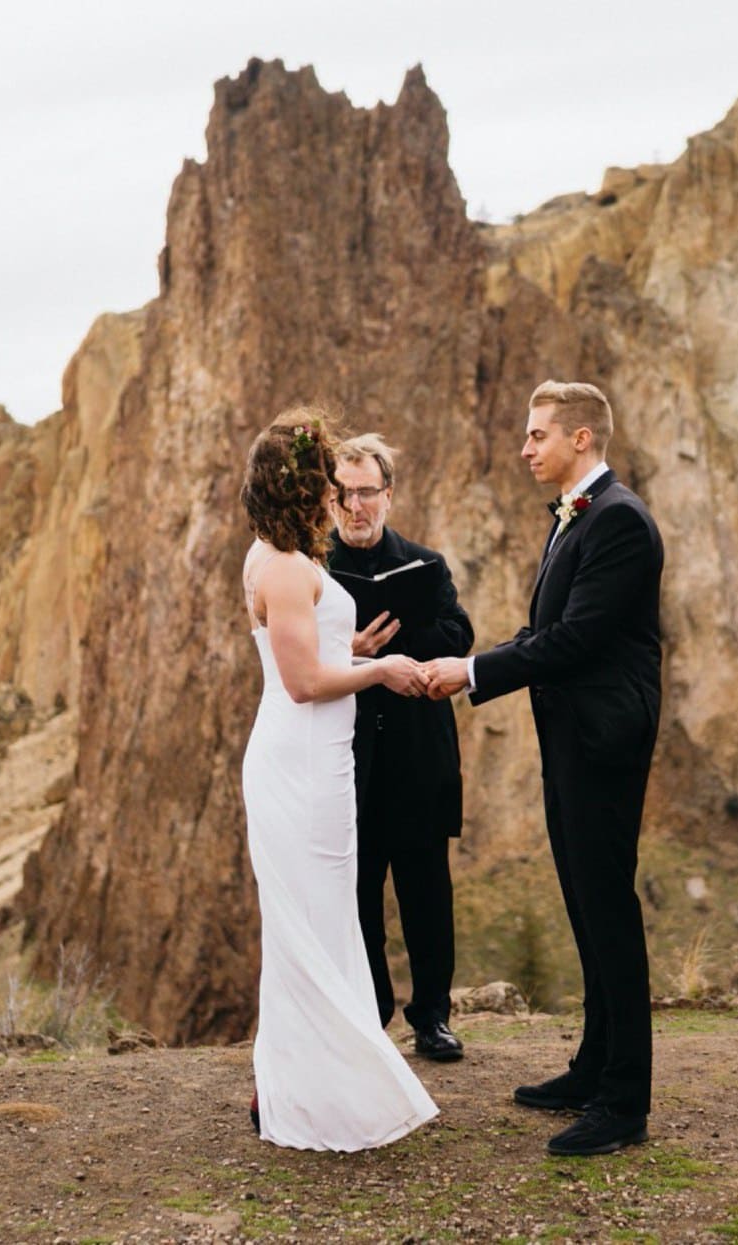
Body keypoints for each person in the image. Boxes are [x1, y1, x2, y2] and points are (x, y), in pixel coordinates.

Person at [425, 381, 664, 1158]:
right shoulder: (573, 519)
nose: (526, 448)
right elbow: (547, 629)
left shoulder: (620, 521)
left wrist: (469, 672)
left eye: (537, 435)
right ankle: (594, 1067)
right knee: (585, 907)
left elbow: (577, 639)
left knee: (609, 913)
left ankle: (624, 1101)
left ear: (582, 438)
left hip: (604, 742)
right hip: (570, 740)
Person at [240, 408, 439, 1151]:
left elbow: (305, 650)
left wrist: (344, 645)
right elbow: (298, 682)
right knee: (311, 927)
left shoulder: (275, 553)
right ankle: (312, 1096)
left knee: (320, 924)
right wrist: (379, 668)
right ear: (302, 486)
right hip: (300, 765)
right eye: (325, 477)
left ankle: (306, 1084)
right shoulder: (287, 567)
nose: (337, 491)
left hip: (316, 760)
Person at [326, 433, 474, 1063]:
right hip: (345, 761)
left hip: (417, 758)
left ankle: (433, 1017)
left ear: (388, 495)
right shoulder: (313, 571)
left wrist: (400, 629)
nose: (354, 506)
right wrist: (351, 650)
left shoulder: (426, 565)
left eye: (365, 492)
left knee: (426, 896)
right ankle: (371, 1014)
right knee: (357, 898)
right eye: (342, 494)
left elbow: (459, 634)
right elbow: (292, 658)